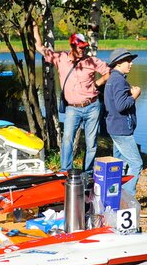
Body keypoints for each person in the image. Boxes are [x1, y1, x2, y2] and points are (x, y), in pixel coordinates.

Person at [33, 23, 110, 173]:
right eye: (81, 47)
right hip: (72, 109)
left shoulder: (91, 61)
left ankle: (87, 172)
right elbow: (40, 47)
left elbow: (109, 72)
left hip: (92, 107)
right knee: (67, 139)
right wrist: (35, 27)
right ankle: (65, 171)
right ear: (72, 46)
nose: (83, 50)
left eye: (85, 47)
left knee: (91, 143)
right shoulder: (60, 58)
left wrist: (98, 83)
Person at [104, 49, 143, 194]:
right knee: (136, 164)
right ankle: (127, 199)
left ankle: (114, 196)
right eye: (128, 61)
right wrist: (134, 96)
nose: (131, 64)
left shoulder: (112, 80)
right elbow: (121, 106)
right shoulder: (119, 81)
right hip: (121, 129)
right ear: (119, 63)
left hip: (115, 127)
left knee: (118, 165)